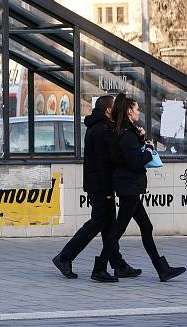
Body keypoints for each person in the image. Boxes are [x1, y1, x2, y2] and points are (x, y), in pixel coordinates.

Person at [91, 93, 187, 283]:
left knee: (145, 226)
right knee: (117, 230)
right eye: (136, 109)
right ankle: (100, 267)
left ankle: (162, 269)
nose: (138, 112)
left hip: (129, 186)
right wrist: (150, 150)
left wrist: (141, 140)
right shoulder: (127, 135)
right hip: (129, 188)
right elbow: (135, 162)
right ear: (128, 111)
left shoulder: (126, 132)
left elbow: (128, 156)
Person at [53, 95, 141, 279]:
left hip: (97, 185)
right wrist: (109, 191)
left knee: (108, 226)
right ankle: (65, 256)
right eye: (114, 108)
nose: (117, 111)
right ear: (109, 110)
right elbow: (103, 164)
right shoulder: (101, 130)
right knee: (97, 224)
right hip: (101, 187)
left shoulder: (97, 127)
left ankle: (119, 264)